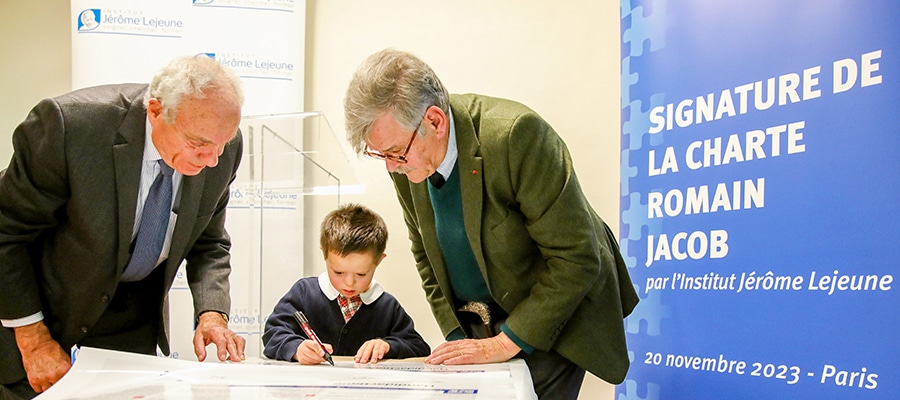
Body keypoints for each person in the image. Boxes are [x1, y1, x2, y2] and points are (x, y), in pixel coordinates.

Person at [343, 48, 639, 399]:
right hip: (485, 316)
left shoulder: (516, 136)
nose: (392, 167)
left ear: (434, 122)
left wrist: (505, 342)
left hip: (552, 311)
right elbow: (426, 255)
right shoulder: (407, 161)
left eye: (395, 153)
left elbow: (577, 258)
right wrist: (458, 339)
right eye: (382, 156)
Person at [0, 55, 247, 400]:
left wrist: (212, 314)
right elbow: (7, 235)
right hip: (48, 319)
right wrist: (33, 340)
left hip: (133, 331)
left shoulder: (223, 149)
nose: (213, 160)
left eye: (222, 144)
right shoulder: (69, 128)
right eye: (198, 144)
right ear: (157, 112)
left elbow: (209, 242)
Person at [262, 203, 430, 365]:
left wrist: (387, 345)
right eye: (339, 272)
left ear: (379, 261)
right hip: (312, 391)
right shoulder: (304, 293)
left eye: (361, 274)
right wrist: (296, 349)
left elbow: (419, 347)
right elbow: (273, 333)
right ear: (325, 255)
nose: (349, 283)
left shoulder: (387, 306)